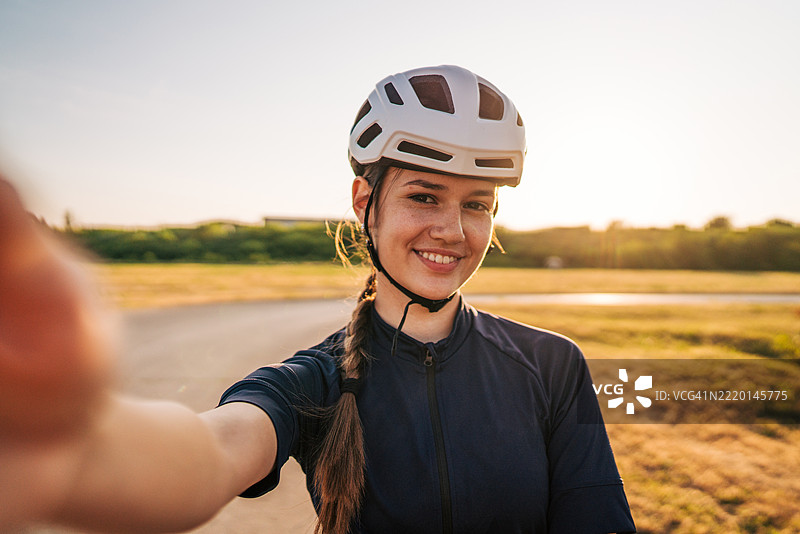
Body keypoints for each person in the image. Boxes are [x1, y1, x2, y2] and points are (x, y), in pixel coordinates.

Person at [0, 65, 635, 534]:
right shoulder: (315, 381)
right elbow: (210, 454)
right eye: (424, 195)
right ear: (365, 203)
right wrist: (64, 443)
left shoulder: (552, 365)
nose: (453, 229)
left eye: (477, 205)